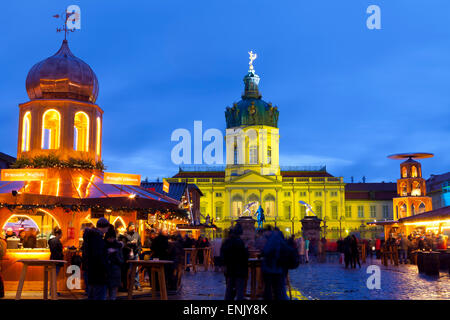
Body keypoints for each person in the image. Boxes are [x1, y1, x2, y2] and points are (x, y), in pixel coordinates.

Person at [82, 217, 110, 300]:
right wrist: (106, 266)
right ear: (104, 227)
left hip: (91, 273)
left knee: (92, 295)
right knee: (99, 296)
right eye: (107, 227)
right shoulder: (97, 238)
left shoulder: (91, 237)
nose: (108, 229)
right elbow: (98, 256)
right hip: (99, 274)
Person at [220, 225, 249, 300]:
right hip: (239, 269)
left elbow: (223, 254)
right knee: (239, 290)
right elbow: (244, 255)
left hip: (230, 269)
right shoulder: (240, 242)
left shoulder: (227, 241)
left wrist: (224, 265)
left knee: (229, 289)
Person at [261, 227, 288, 300]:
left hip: (271, 268)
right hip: (279, 268)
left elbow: (266, 252)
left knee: (270, 289)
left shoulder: (272, 240)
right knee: (279, 289)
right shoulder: (279, 238)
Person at [104, 225, 123, 300]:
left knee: (113, 294)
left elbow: (121, 260)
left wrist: (115, 255)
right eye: (109, 238)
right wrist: (107, 253)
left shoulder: (118, 246)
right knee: (104, 294)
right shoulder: (103, 245)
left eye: (113, 238)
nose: (111, 239)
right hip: (105, 272)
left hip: (115, 271)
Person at [125, 222, 142, 291]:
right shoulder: (125, 235)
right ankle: (128, 285)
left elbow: (140, 243)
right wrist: (130, 243)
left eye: (133, 226)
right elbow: (124, 243)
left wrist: (139, 251)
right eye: (131, 226)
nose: (133, 228)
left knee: (136, 270)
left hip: (135, 253)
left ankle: (137, 285)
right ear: (128, 227)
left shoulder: (137, 234)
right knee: (129, 270)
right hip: (128, 254)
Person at [48, 227, 64, 296]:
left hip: (53, 260)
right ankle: (52, 292)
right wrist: (60, 256)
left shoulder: (52, 241)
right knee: (54, 277)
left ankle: (52, 291)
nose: (62, 236)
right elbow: (56, 251)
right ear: (58, 234)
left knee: (53, 277)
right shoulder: (56, 241)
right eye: (61, 234)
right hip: (56, 261)